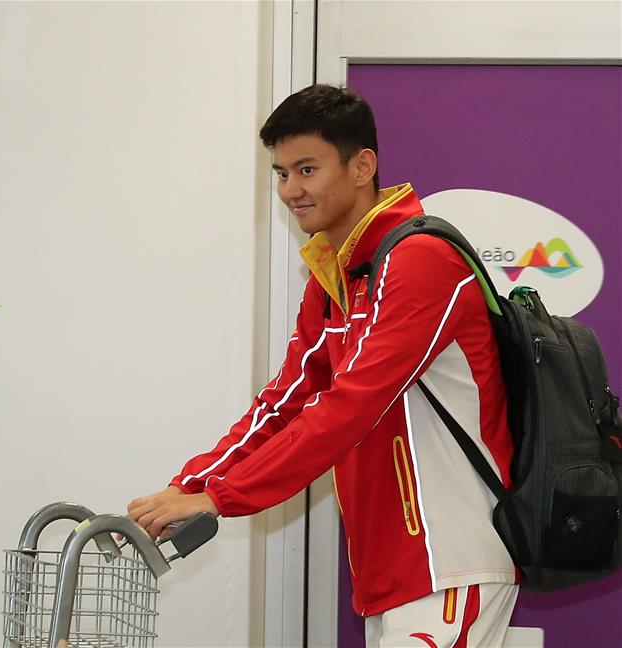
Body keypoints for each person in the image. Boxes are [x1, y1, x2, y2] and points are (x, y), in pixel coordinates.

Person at [127, 84, 519, 647]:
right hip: (393, 572)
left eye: (306, 169)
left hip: (450, 560)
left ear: (363, 166)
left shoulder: (422, 260)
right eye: (281, 173)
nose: (290, 190)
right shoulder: (335, 274)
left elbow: (349, 407)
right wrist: (188, 487)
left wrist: (221, 497)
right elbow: (284, 403)